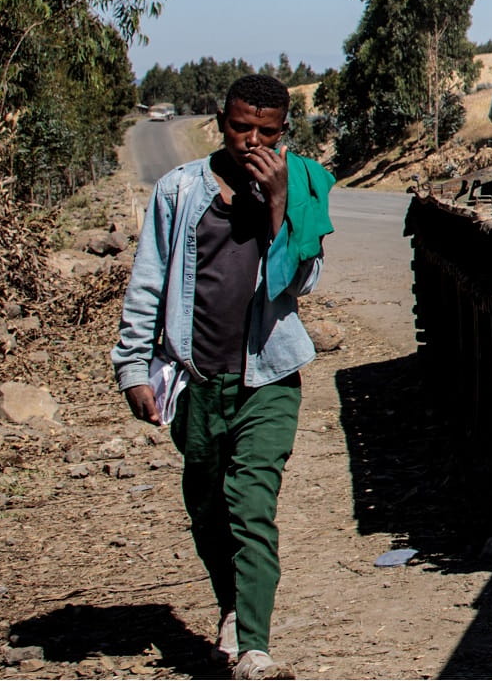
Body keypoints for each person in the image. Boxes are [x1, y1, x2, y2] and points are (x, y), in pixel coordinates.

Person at [112, 74, 332, 680]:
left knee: (251, 505)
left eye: (266, 131)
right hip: (195, 380)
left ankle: (256, 649)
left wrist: (281, 200)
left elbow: (301, 281)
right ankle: (233, 605)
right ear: (220, 121)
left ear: (283, 131)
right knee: (206, 509)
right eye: (240, 127)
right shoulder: (180, 190)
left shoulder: (303, 183)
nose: (250, 140)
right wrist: (133, 365)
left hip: (267, 378)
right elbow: (150, 281)